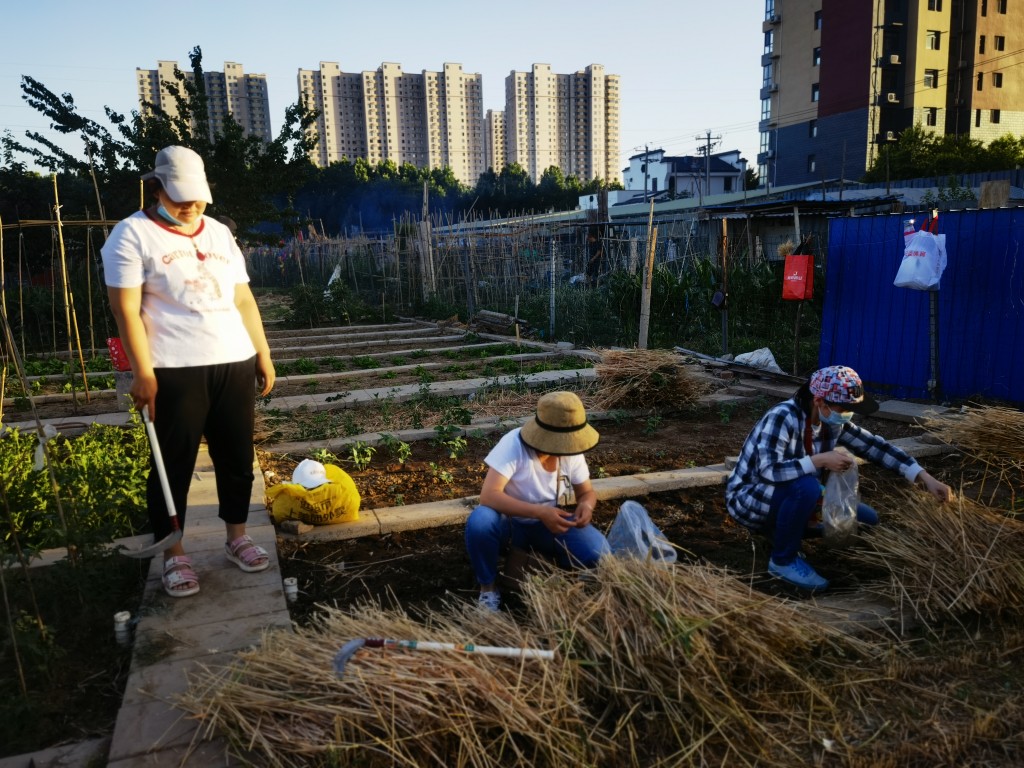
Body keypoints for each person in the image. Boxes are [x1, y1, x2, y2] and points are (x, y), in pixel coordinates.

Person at [102, 145, 276, 598]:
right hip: (173, 367)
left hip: (232, 360)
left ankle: (237, 536)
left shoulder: (218, 232)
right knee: (172, 463)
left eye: (197, 197)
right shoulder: (131, 234)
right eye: (180, 197)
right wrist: (143, 373)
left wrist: (262, 352)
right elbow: (125, 310)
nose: (191, 206)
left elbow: (242, 299)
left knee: (236, 456)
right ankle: (174, 553)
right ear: (157, 188)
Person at [725, 365, 952, 592]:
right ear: (819, 401)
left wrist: (923, 476)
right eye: (843, 408)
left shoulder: (832, 423)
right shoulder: (782, 417)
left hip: (789, 496)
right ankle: (782, 560)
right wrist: (819, 460)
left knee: (865, 519)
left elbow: (875, 447)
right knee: (807, 487)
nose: (847, 414)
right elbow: (769, 471)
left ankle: (779, 532)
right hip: (749, 498)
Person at [465, 391, 610, 611]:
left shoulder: (571, 450)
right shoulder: (513, 444)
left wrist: (586, 506)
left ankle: (564, 576)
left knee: (599, 552)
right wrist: (540, 512)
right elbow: (489, 495)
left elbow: (586, 492)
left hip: (549, 525)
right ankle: (488, 589)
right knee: (481, 521)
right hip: (509, 523)